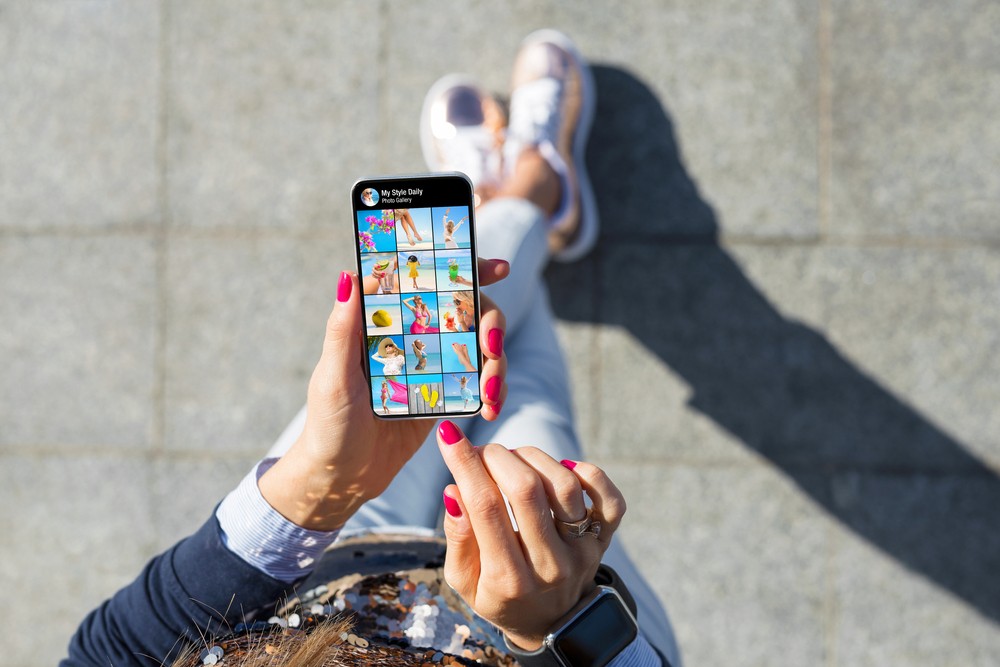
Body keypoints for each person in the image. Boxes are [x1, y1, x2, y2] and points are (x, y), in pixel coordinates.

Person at [64, 29, 680, 667]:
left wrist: (318, 485)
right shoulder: (554, 617)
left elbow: (111, 651)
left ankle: (523, 195)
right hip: (531, 606)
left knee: (470, 342)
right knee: (534, 419)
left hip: (332, 548)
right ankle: (529, 190)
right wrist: (559, 626)